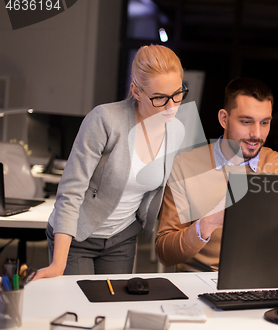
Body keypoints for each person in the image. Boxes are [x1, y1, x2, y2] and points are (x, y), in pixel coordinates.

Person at [34, 45, 188, 279]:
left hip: (121, 237)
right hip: (77, 235)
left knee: (112, 309)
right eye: (159, 98)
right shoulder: (105, 120)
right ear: (136, 92)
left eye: (177, 94)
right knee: (78, 310)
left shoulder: (176, 131)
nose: (171, 106)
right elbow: (71, 191)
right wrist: (58, 264)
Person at [155, 77, 278, 272]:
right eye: (246, 121)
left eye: (264, 123)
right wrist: (207, 224)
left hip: (262, 282)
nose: (256, 133)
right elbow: (165, 253)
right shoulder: (185, 166)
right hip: (200, 283)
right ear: (224, 119)